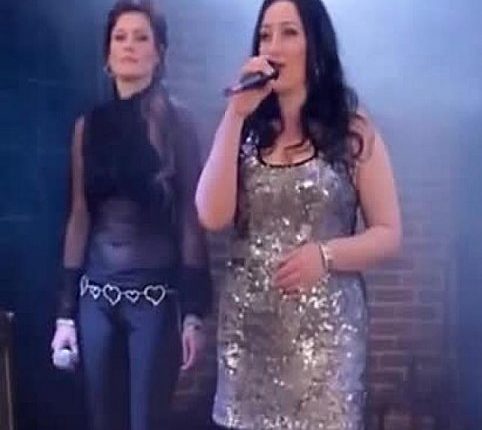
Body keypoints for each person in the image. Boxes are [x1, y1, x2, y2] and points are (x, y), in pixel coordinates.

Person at [195, 0, 402, 428]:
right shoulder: (245, 128)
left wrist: (325, 255)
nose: (273, 46)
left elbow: (388, 233)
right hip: (248, 338)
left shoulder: (352, 129)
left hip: (324, 344)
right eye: (265, 35)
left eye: (289, 33)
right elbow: (211, 215)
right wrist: (235, 114)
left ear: (314, 45)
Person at [49, 1, 212, 429]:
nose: (129, 46)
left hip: (154, 299)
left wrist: (193, 312)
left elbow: (190, 219)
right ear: (107, 54)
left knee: (146, 423)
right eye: (120, 38)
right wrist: (65, 312)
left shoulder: (177, 123)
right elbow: (79, 215)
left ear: (158, 53)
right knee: (102, 420)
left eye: (141, 38)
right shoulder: (88, 126)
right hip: (96, 296)